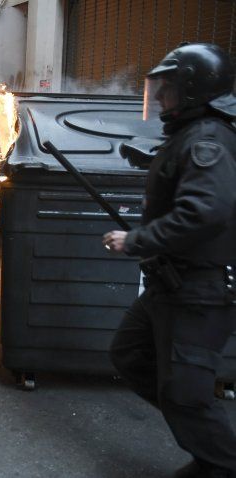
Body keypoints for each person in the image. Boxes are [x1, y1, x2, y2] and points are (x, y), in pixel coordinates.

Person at [104, 43, 236, 478]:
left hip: (200, 291)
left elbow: (205, 211)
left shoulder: (208, 140)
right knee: (131, 354)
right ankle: (199, 432)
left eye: (170, 87)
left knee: (186, 395)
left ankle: (220, 463)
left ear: (195, 89)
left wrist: (137, 240)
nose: (160, 96)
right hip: (170, 283)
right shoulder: (191, 134)